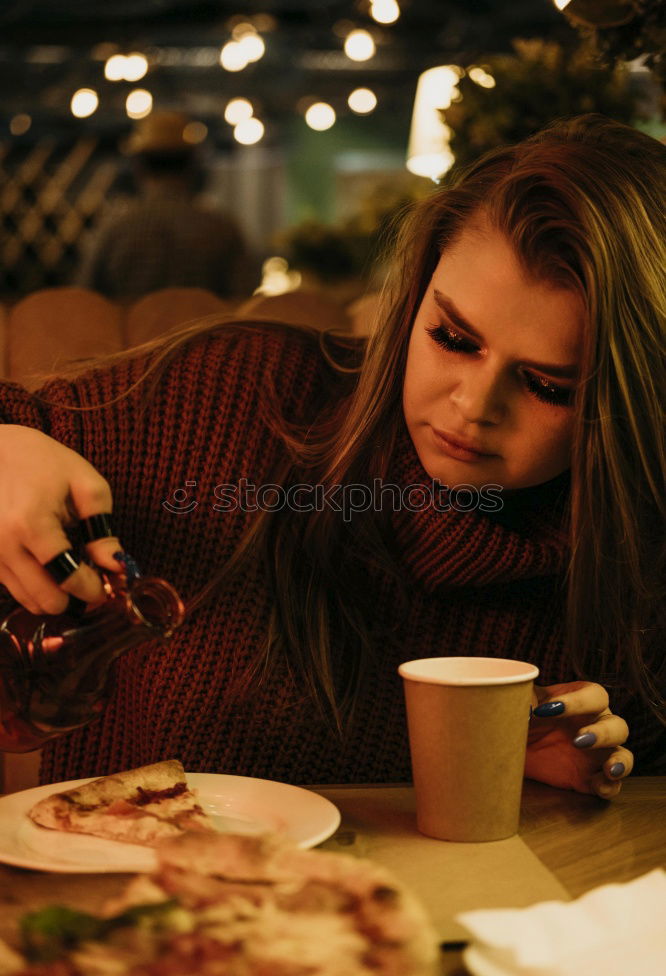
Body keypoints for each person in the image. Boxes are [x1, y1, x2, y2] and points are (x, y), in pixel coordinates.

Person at [1, 114, 664, 797]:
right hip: (124, 892)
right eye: (452, 338)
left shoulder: (639, 572)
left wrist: (531, 786)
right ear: (412, 302)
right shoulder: (233, 398)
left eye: (548, 386)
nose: (472, 405)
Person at [77, 110, 257, 300]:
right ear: (192, 164)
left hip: (134, 330)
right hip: (206, 330)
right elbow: (243, 300)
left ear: (139, 166)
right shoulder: (222, 229)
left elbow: (86, 300)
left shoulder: (114, 230)